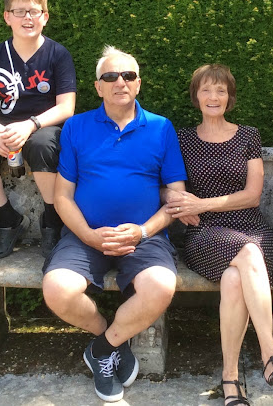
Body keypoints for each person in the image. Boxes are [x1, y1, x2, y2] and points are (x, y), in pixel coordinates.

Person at [41, 46, 188, 403]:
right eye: (110, 76)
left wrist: (143, 231)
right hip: (85, 235)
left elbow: (177, 198)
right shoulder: (76, 127)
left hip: (145, 237)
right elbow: (62, 197)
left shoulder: (161, 127)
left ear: (138, 84)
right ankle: (112, 339)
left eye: (128, 75)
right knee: (57, 290)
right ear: (98, 87)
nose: (120, 82)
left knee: (160, 287)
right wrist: (89, 236)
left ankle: (101, 349)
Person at [166, 64, 273, 406]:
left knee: (235, 277)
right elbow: (166, 185)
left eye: (221, 90)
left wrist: (201, 203)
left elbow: (252, 195)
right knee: (248, 253)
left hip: (251, 226)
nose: (213, 96)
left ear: (230, 97)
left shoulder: (248, 135)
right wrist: (176, 200)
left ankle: (230, 378)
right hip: (205, 233)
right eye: (206, 90)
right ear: (196, 96)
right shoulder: (182, 138)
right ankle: (270, 351)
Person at [0, 0, 76, 258]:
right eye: (19, 11)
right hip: (5, 127)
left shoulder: (57, 54)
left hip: (44, 126)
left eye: (34, 11)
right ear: (7, 17)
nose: (27, 18)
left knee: (43, 144)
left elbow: (66, 107)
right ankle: (8, 220)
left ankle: (52, 221)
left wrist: (31, 125)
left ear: (45, 17)